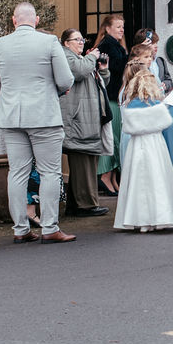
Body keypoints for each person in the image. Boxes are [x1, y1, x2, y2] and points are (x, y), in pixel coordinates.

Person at [0, 3, 76, 244]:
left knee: (17, 172)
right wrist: (55, 90)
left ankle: (20, 229)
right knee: (50, 172)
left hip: (11, 116)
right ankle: (49, 228)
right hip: (44, 114)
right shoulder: (49, 42)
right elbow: (66, 79)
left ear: (14, 20)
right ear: (36, 20)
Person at [113, 69, 173, 232]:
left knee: (137, 180)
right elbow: (166, 122)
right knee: (156, 178)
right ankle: (159, 217)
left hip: (137, 145)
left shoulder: (130, 104)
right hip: (155, 143)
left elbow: (127, 127)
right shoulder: (156, 104)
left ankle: (138, 219)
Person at [59, 28, 111, 218]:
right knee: (83, 161)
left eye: (82, 39)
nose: (82, 42)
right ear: (66, 43)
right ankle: (86, 205)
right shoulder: (66, 57)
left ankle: (75, 204)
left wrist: (103, 70)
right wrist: (92, 58)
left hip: (86, 118)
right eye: (77, 40)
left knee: (85, 161)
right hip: (78, 119)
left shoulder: (80, 59)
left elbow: (97, 83)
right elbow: (79, 72)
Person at [94, 15, 128, 196]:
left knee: (117, 138)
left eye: (122, 27)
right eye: (118, 27)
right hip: (110, 98)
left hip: (116, 97)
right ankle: (105, 175)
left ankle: (113, 177)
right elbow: (112, 69)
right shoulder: (106, 46)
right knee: (112, 138)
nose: (121, 30)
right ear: (107, 28)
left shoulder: (117, 46)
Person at [131, 27, 173, 92]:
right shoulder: (136, 63)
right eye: (152, 43)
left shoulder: (160, 61)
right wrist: (140, 50)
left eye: (156, 42)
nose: (156, 46)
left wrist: (165, 84)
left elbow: (169, 81)